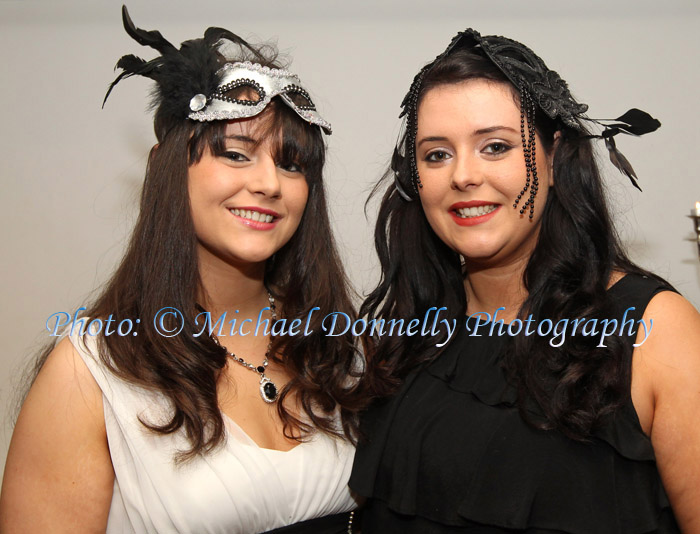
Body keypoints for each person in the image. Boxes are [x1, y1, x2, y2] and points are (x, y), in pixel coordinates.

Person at [0, 7, 364, 533]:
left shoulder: (335, 347)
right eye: (237, 154)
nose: (269, 183)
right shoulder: (91, 373)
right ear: (168, 169)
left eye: (292, 163)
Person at [350, 29, 700, 533]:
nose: (463, 176)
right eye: (436, 154)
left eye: (495, 146)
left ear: (555, 157)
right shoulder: (405, 335)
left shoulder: (655, 330)